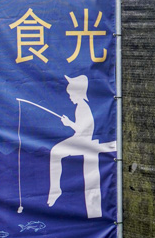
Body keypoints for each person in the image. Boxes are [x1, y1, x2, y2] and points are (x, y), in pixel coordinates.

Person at [47, 74, 115, 218]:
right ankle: (55, 189)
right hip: (79, 139)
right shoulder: (80, 106)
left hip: (82, 140)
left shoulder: (83, 107)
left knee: (55, 152)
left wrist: (68, 123)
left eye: (70, 93)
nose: (69, 96)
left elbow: (82, 129)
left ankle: (56, 189)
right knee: (55, 152)